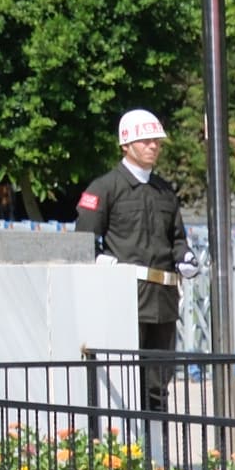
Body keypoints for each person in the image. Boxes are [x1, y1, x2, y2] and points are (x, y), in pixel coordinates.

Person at [78, 109, 188, 414]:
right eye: (146, 141)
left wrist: (185, 257)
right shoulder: (105, 188)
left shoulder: (164, 191)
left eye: (157, 141)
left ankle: (158, 454)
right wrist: (102, 263)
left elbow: (177, 238)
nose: (153, 146)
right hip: (126, 295)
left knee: (158, 385)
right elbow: (84, 240)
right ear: (126, 144)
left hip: (163, 298)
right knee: (126, 380)